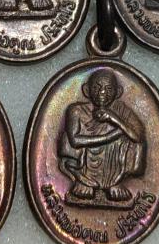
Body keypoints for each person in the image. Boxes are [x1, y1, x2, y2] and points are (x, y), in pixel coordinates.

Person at [58, 69, 145, 203]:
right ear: (87, 90)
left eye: (108, 89)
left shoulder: (122, 111)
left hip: (115, 164)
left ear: (118, 92)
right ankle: (84, 182)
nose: (102, 93)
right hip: (83, 163)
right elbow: (75, 141)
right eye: (96, 88)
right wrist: (111, 135)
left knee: (133, 139)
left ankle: (114, 183)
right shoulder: (76, 110)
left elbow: (138, 136)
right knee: (66, 138)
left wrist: (114, 118)